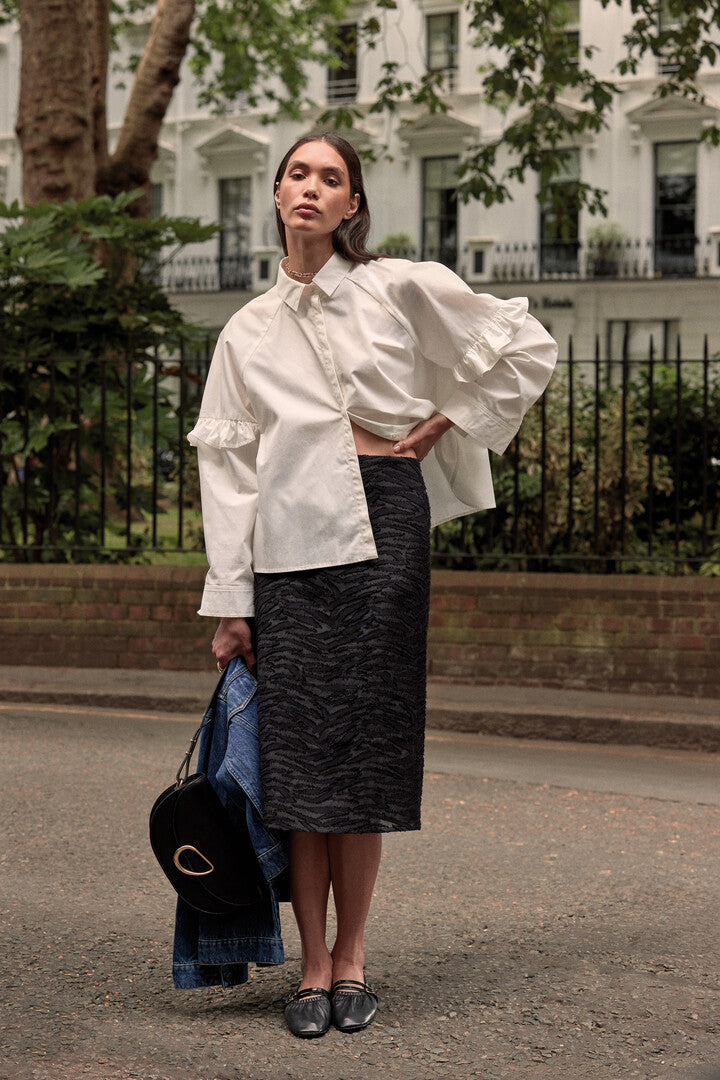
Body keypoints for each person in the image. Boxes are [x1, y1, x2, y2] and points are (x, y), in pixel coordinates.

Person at [187, 132, 557, 1038]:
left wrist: (438, 424)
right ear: (278, 195)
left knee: (366, 751)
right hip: (286, 549)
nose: (312, 188)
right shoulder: (246, 330)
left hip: (384, 525)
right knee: (298, 760)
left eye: (332, 178)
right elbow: (228, 476)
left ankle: (351, 958)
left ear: (352, 204)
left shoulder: (398, 285)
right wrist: (231, 605)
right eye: (298, 174)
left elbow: (525, 346)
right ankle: (310, 966)